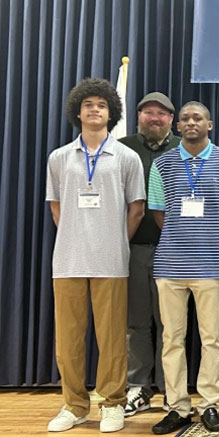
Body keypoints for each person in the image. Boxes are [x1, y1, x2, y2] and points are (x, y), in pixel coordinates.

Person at [45, 78, 145, 433]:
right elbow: (57, 208)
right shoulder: (59, 158)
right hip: (68, 259)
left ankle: (113, 403)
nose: (94, 110)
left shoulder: (127, 157)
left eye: (101, 105)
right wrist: (78, 235)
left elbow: (137, 208)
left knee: (112, 336)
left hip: (111, 260)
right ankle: (74, 405)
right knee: (68, 338)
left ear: (111, 113)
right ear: (78, 111)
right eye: (88, 105)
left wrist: (115, 239)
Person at [147, 101, 219, 434]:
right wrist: (183, 236)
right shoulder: (161, 164)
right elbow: (159, 214)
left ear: (210, 125)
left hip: (211, 264)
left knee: (212, 339)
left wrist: (212, 237)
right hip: (170, 264)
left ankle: (209, 405)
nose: (192, 123)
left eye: (198, 118)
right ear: (177, 126)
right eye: (186, 118)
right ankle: (176, 406)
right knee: (172, 339)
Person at [118, 92, 180, 416]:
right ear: (138, 116)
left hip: (173, 250)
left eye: (161, 114)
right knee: (137, 323)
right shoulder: (121, 148)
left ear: (171, 119)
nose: (154, 118)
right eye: (147, 113)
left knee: (170, 323)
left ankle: (171, 388)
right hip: (134, 248)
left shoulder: (184, 149)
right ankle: (138, 386)